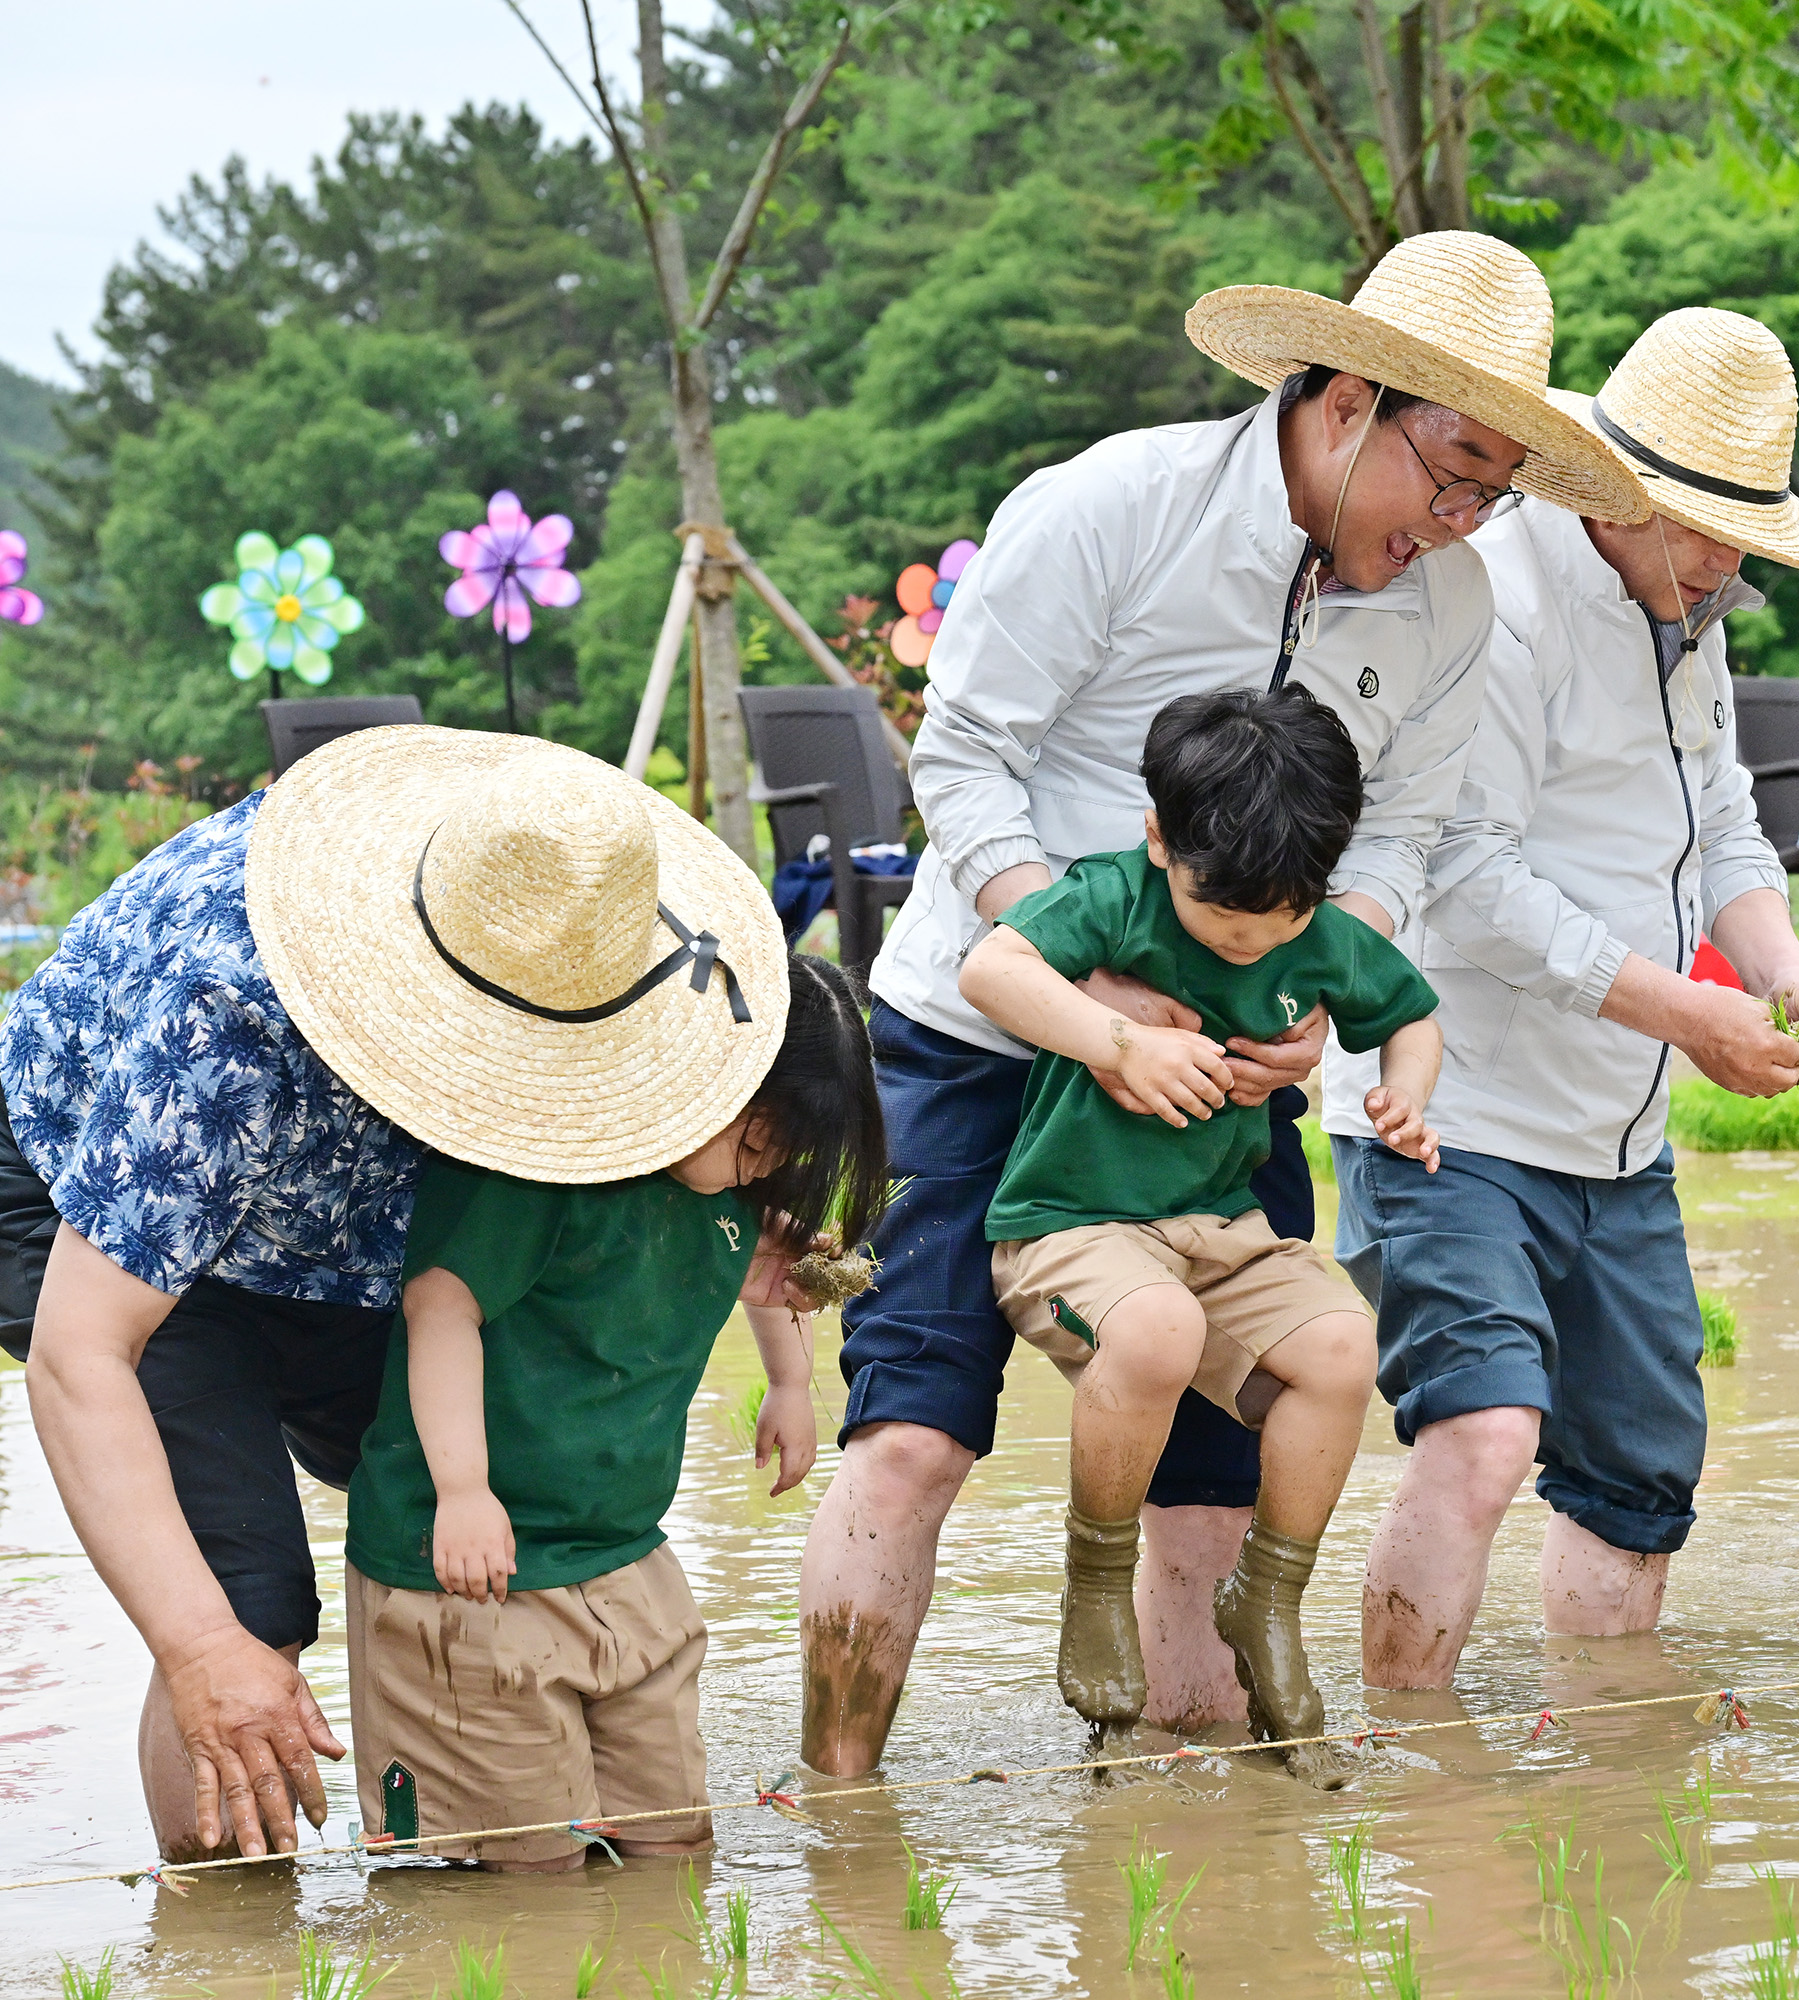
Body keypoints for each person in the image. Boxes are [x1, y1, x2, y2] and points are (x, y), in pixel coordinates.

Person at [803, 231, 1646, 1768]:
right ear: (1341, 403)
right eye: (1451, 473)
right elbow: (966, 758)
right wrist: (1095, 983)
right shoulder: (1108, 512)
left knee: (1216, 1462)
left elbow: (1400, 837)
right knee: (915, 1429)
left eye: (1496, 495)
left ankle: (1186, 1839)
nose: (1463, 523)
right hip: (985, 1033)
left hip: (1226, 1086)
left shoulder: (1449, 608)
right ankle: (839, 1811)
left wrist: (1314, 993)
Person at [0, 727, 789, 1864]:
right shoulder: (230, 1012)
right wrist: (199, 1646)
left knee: (486, 1486)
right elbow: (85, 1354)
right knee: (245, 1605)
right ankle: (226, 1931)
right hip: (103, 1195)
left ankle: (502, 1827)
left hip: (342, 1216)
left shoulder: (574, 921)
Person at [1324, 308, 1799, 1687]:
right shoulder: (1494, 605)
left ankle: (1612, 1774)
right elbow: (1465, 878)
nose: (1725, 561)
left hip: (1618, 1138)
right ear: (1613, 494)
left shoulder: (1692, 612)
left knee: (1639, 1474)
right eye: (1699, 527)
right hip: (1453, 1109)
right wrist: (1693, 1019)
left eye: (1744, 533)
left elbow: (1728, 826)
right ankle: (1412, 1763)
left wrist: (1787, 977)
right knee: (1485, 1432)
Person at [957, 689, 1442, 1783]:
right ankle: (1094, 1584)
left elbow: (1410, 1013)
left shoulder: (1312, 927)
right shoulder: (1113, 896)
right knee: (1160, 1328)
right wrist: (1117, 1041)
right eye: (1226, 919)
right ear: (1159, 838)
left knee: (1340, 1350)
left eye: (1283, 917)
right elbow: (991, 968)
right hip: (1072, 1225)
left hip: (1221, 1229)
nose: (1256, 940)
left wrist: (1405, 1091)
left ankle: (1265, 1597)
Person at [346, 942, 884, 1870]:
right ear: (693, 1074)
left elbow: (770, 1265)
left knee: (675, 1848)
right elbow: (442, 1305)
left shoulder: (727, 1188)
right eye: (757, 1139)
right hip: (474, 1566)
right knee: (530, 1870)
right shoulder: (540, 1164)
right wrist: (464, 1491)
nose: (765, 1169)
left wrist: (792, 1386)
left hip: (623, 1551)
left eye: (784, 1154)